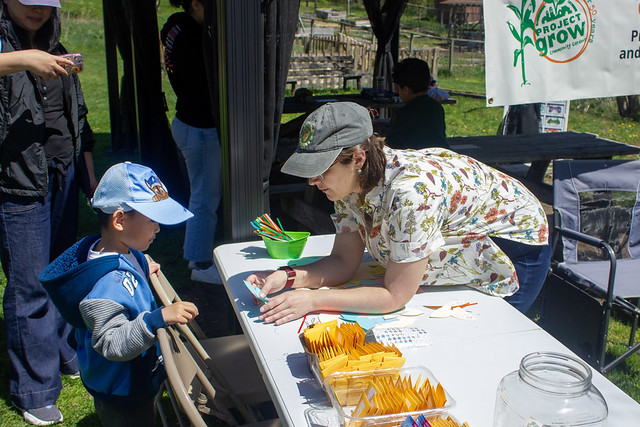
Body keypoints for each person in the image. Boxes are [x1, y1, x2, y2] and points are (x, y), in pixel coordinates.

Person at [246, 102, 551, 326]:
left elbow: (394, 296)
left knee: (491, 339)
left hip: (509, 247)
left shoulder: (411, 193)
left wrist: (313, 300)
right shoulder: (348, 183)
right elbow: (343, 262)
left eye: (319, 171)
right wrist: (287, 277)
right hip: (467, 239)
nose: (312, 182)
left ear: (358, 158)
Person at [39, 162, 198, 426]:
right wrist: (156, 320)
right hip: (122, 392)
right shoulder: (106, 285)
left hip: (134, 376)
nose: (158, 228)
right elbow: (111, 342)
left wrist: (142, 265)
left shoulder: (118, 249)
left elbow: (125, 263)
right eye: (152, 220)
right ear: (120, 220)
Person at [0, 0, 98, 424]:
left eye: (46, 3)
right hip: (17, 182)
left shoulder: (57, 46)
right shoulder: (14, 51)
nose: (37, 9)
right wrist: (23, 59)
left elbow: (79, 117)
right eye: (28, 1)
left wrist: (88, 178)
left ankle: (60, 349)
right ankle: (34, 387)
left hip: (61, 175)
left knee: (62, 271)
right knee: (29, 285)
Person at [161, 0, 223, 284]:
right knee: (204, 197)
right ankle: (199, 262)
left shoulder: (175, 26)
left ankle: (195, 256)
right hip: (199, 126)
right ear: (196, 4)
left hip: (187, 121)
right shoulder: (193, 37)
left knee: (201, 194)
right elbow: (205, 85)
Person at [386, 57, 448, 150]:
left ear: (406, 90)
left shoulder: (405, 112)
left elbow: (392, 144)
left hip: (416, 158)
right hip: (439, 156)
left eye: (398, 89)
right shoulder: (437, 107)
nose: (397, 92)